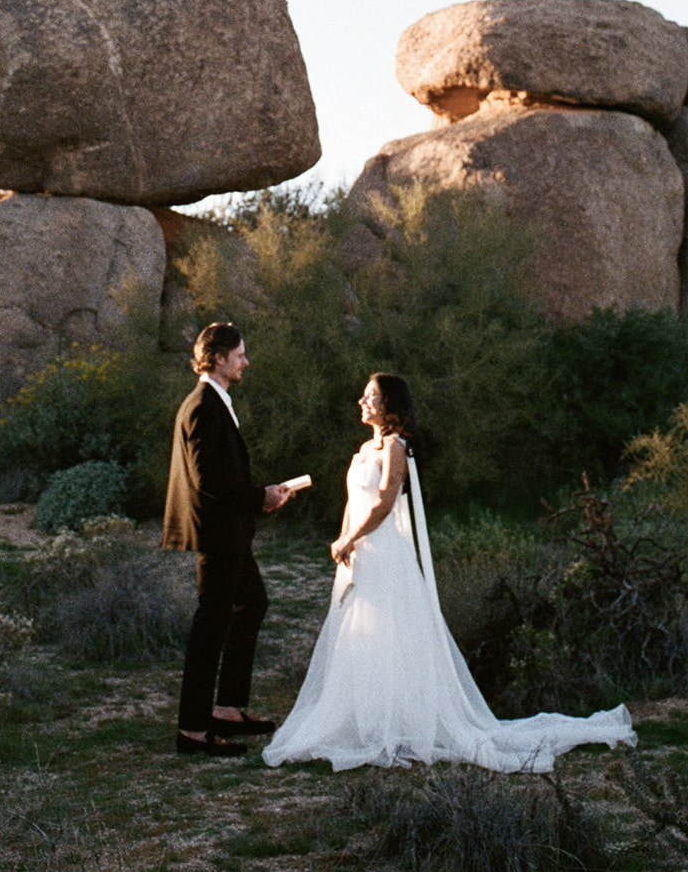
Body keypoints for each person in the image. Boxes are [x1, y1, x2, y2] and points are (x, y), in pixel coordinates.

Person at [263, 373, 637, 772]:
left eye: (370, 396)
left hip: (385, 552)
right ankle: (366, 719)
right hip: (361, 553)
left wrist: (351, 538)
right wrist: (344, 539)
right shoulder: (363, 448)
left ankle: (400, 722)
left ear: (389, 405)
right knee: (361, 633)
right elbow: (355, 501)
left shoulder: (394, 447)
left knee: (394, 635)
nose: (362, 401)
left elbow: (384, 503)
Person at [162, 322, 294, 757]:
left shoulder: (214, 402)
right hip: (218, 534)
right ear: (218, 357)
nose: (246, 362)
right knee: (210, 627)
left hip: (229, 532)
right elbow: (208, 481)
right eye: (240, 355)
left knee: (251, 604)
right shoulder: (203, 405)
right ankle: (193, 731)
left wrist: (260, 498)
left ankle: (226, 710)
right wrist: (261, 497)